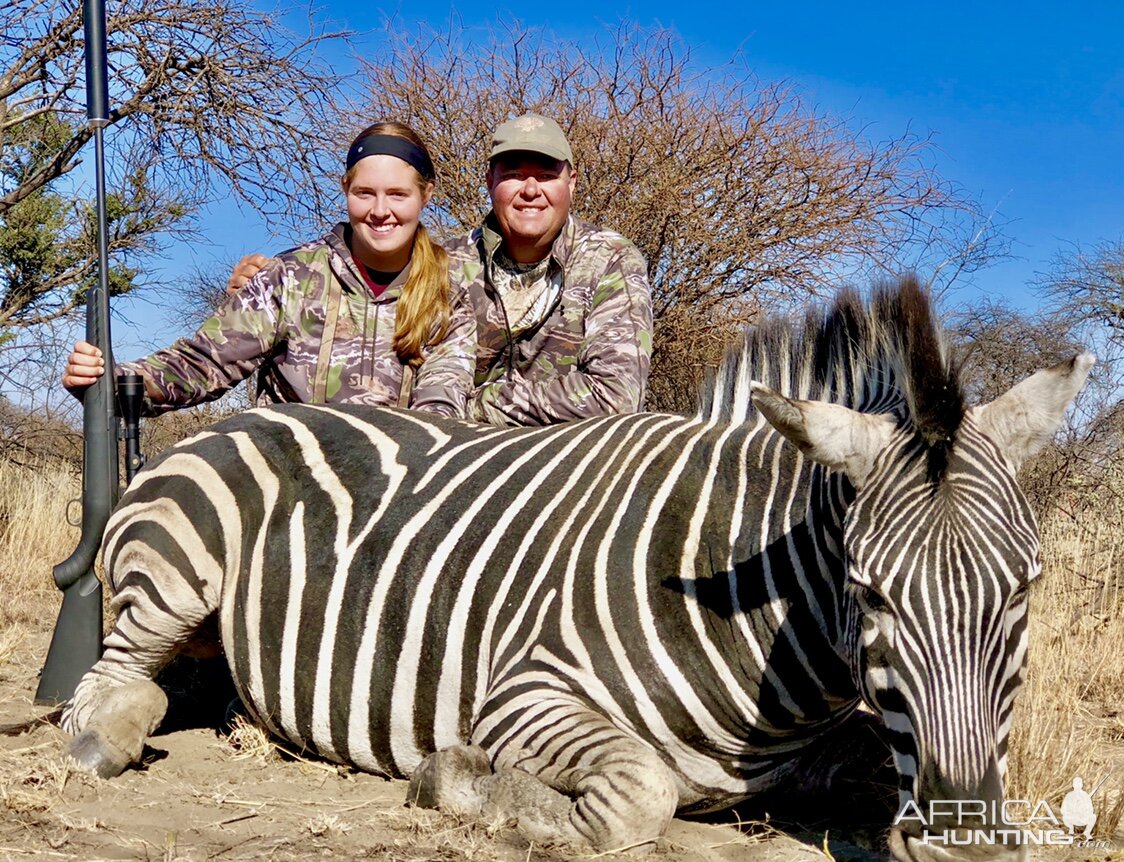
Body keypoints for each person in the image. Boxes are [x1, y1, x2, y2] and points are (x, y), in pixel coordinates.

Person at [227, 113, 653, 427]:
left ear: (572, 182)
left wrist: (471, 406)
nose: (529, 190)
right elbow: (357, 309)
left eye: (545, 175)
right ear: (490, 181)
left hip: (559, 470)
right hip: (447, 475)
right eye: (513, 174)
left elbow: (615, 396)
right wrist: (261, 292)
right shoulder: (442, 260)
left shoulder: (611, 260)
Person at [62, 122, 476, 419]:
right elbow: (205, 361)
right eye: (365, 193)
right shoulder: (289, 277)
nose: (380, 211)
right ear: (345, 190)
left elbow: (441, 400)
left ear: (426, 196)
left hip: (400, 489)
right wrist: (111, 383)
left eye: (398, 195)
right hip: (288, 485)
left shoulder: (450, 290)